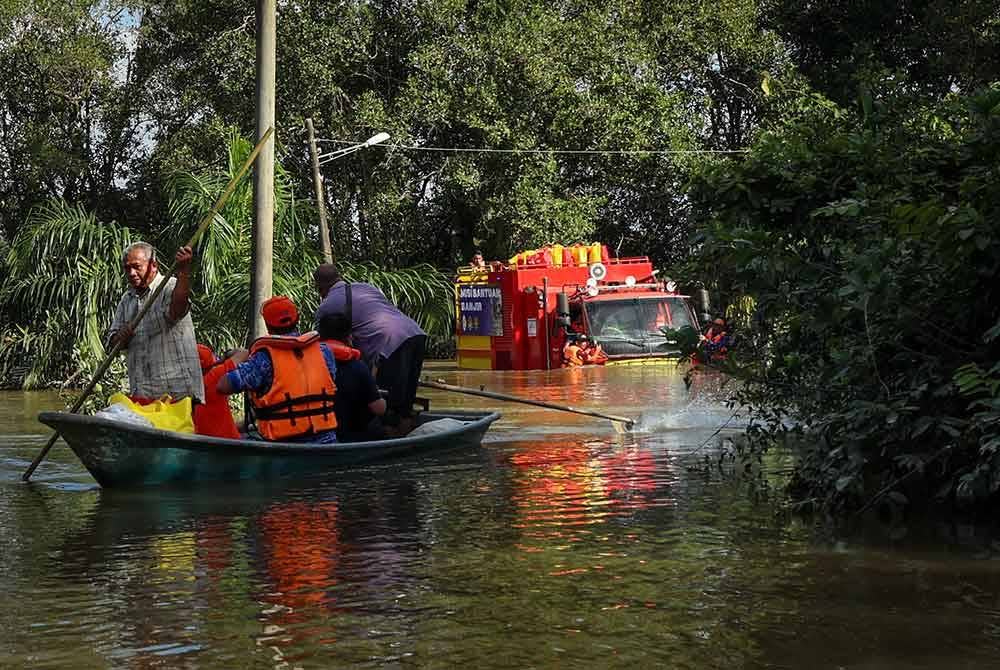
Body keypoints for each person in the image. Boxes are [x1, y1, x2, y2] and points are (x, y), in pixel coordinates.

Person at [313, 264, 427, 433]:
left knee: (387, 406)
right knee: (405, 403)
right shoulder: (366, 287)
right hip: (414, 333)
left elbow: (323, 348)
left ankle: (390, 447)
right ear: (340, 276)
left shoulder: (327, 307)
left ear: (320, 287)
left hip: (389, 343)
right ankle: (406, 439)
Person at [217, 296, 339, 443]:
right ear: (297, 319)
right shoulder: (324, 351)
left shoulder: (263, 359)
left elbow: (223, 385)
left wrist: (238, 358)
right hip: (326, 441)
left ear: (268, 325)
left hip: (283, 444)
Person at [107, 242, 204, 404]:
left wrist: (184, 271)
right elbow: (113, 342)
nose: (131, 273)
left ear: (153, 266)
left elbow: (177, 311)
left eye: (136, 267)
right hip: (142, 393)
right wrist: (121, 337)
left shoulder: (170, 286)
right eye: (127, 268)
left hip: (176, 394)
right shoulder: (127, 300)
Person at [318, 312, 387, 441]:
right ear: (348, 337)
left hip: (317, 435)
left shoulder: (307, 364)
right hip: (351, 437)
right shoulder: (357, 367)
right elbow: (379, 409)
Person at [193, 344, 245, 439]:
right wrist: (226, 355)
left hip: (204, 443)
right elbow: (244, 353)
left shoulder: (187, 384)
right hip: (229, 442)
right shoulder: (214, 376)